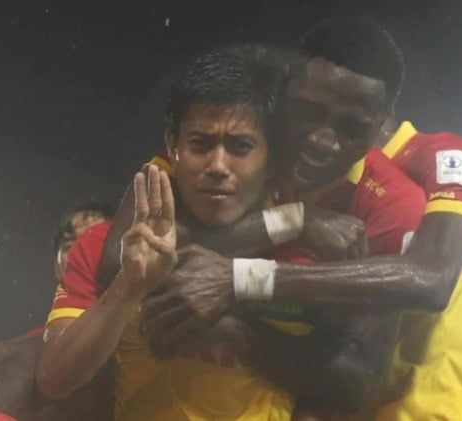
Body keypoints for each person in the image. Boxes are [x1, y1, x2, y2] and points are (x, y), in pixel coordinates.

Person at [141, 17, 462, 420]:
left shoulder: (438, 162)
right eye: (309, 111)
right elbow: (139, 248)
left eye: (351, 126)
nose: (323, 139)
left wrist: (238, 279)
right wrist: (296, 220)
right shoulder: (278, 162)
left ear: (381, 118)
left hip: (439, 408)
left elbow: (433, 279)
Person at [37, 45, 300, 421]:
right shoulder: (103, 245)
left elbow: (348, 385)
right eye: (200, 143)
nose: (217, 166)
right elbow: (53, 380)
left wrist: (235, 317)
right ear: (172, 146)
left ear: (272, 158)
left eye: (240, 147)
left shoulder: (302, 252)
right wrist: (129, 287)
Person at [0, 201, 113, 421]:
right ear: (57, 264)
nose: (80, 252)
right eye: (70, 244)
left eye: (95, 241)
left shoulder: (147, 338)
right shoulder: (17, 354)